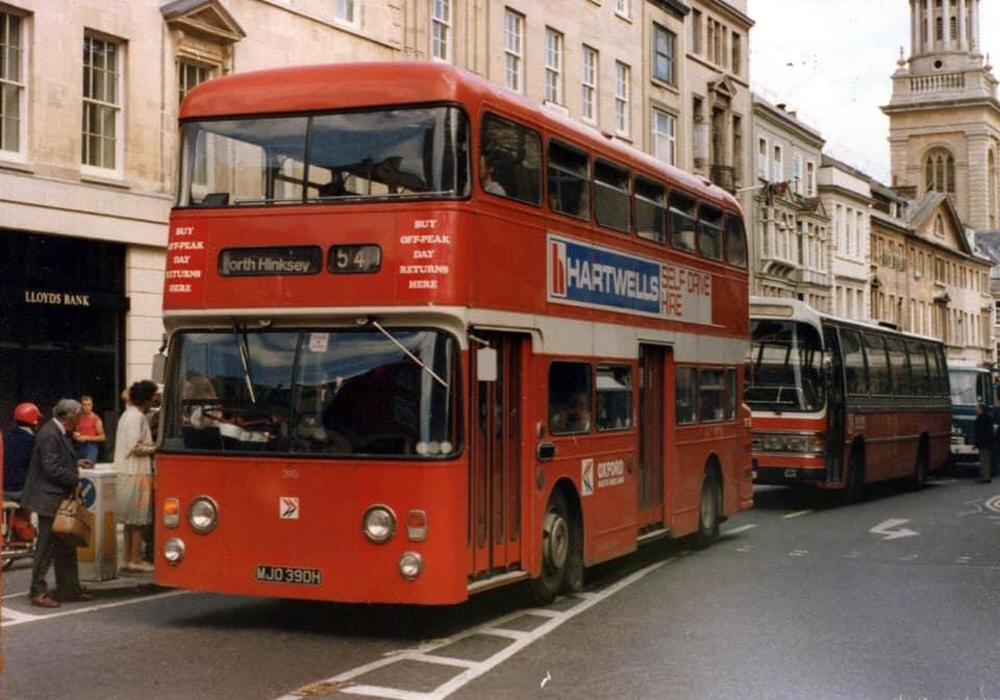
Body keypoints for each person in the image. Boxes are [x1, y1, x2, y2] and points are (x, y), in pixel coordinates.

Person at [20, 399, 93, 608]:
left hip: (54, 496)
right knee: (46, 546)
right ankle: (38, 592)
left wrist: (74, 463)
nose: (80, 421)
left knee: (65, 544)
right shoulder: (50, 433)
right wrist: (74, 479)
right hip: (48, 497)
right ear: (68, 417)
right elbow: (51, 468)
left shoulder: (57, 431)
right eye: (78, 417)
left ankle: (69, 589)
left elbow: (54, 460)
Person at [115, 380, 158, 573]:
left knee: (129, 521)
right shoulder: (137, 417)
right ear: (147, 399)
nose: (155, 400)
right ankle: (136, 559)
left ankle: (127, 558)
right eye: (154, 396)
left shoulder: (128, 414)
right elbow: (135, 446)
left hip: (127, 472)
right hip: (137, 472)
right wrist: (156, 448)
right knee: (138, 520)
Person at [3, 402, 43, 542]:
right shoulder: (33, 441)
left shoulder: (5, 437)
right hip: (19, 493)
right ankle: (28, 534)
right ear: (34, 422)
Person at [72, 395, 105, 463]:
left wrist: (86, 437)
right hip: (78, 446)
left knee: (88, 465)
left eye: (89, 405)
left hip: (90, 446)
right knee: (76, 466)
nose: (87, 407)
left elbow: (103, 437)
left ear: (92, 405)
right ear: (81, 406)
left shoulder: (96, 419)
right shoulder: (78, 417)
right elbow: (74, 431)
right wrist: (75, 435)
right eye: (85, 405)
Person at [974, 401, 994, 483]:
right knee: (986, 460)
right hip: (987, 442)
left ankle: (985, 477)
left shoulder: (981, 418)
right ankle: (986, 476)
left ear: (981, 409)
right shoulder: (988, 417)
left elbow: (979, 432)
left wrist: (976, 442)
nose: (975, 409)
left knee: (984, 460)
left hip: (983, 442)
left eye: (977, 408)